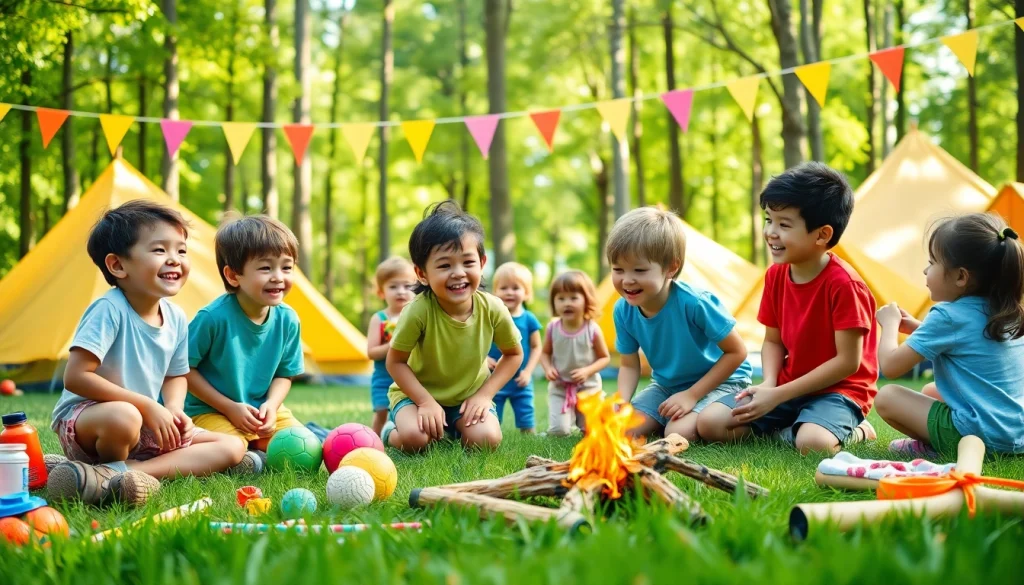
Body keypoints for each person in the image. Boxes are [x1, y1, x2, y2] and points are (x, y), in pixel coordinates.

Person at [47, 201, 245, 506]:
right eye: (159, 250)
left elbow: (176, 374)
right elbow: (76, 376)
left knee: (233, 446)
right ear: (118, 266)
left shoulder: (177, 317)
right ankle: (102, 469)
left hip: (143, 424)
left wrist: (175, 409)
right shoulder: (109, 310)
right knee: (124, 416)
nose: (175, 260)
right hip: (92, 420)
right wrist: (146, 406)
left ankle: (128, 472)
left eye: (181, 250)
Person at [698, 162, 878, 454]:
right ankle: (790, 427)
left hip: (839, 392)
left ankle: (858, 431)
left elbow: (848, 363)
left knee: (813, 444)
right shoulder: (775, 275)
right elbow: (772, 341)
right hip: (786, 385)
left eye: (784, 224)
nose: (771, 232)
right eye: (769, 220)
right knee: (710, 423)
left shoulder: (845, 285)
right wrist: (769, 385)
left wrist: (778, 395)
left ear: (822, 235)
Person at [874, 213, 1024, 458]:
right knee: (931, 391)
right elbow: (971, 345)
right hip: (1015, 435)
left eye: (933, 262)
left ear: (961, 277)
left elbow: (890, 366)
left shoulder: (948, 316)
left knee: (888, 396)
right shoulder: (1008, 311)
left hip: (980, 437)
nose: (925, 270)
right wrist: (919, 328)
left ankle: (937, 447)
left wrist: (889, 325)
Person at [381, 201, 523, 452]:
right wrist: (424, 401)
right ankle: (391, 432)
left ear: (481, 262)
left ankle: (452, 427)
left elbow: (513, 355)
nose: (458, 273)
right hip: (417, 396)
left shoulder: (493, 308)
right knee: (416, 440)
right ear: (422, 273)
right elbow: (395, 362)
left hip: (468, 397)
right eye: (445, 265)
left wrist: (484, 395)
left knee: (486, 440)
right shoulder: (417, 311)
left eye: (467, 262)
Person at [609, 207, 751, 442]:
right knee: (621, 430)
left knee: (677, 432)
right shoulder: (622, 310)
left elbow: (737, 352)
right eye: (618, 270)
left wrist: (691, 395)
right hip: (668, 386)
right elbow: (629, 365)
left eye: (640, 270)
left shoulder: (695, 303)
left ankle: (752, 422)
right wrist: (621, 401)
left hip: (723, 382)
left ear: (671, 268)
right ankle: (667, 416)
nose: (627, 280)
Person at [183, 215, 305, 472]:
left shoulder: (288, 319)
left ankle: (256, 452)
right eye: (265, 268)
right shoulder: (212, 318)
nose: (278, 277)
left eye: (286, 267)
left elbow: (285, 373)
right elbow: (183, 370)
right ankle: (250, 453)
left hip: (261, 410)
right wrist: (229, 408)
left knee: (304, 448)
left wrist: (271, 406)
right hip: (209, 410)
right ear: (233, 275)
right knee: (232, 448)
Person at [539, 270, 610, 436]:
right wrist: (548, 368)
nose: (567, 303)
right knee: (559, 431)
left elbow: (604, 358)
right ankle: (559, 426)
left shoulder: (592, 329)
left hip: (588, 388)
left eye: (573, 298)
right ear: (554, 302)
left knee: (592, 432)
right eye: (561, 298)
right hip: (560, 388)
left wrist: (587, 371)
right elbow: (544, 354)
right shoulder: (552, 328)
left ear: (586, 300)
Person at [486, 262, 543, 434]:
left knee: (526, 411)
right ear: (495, 292)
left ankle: (529, 435)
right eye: (504, 288)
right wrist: (484, 358)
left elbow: (536, 346)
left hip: (520, 379)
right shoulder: (490, 317)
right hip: (494, 377)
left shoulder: (529, 319)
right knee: (493, 413)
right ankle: (492, 434)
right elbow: (478, 341)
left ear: (526, 293)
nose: (509, 292)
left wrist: (528, 371)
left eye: (515, 288)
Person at [366, 257, 417, 435]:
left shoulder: (416, 317)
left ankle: (397, 435)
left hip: (411, 377)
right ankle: (374, 439)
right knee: (382, 412)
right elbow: (371, 352)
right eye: (393, 286)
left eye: (407, 286)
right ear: (381, 293)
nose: (401, 292)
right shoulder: (379, 319)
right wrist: (394, 344)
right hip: (384, 378)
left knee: (407, 412)